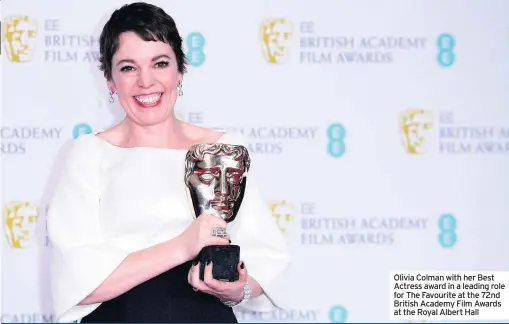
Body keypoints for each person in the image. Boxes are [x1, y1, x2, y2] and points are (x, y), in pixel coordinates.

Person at [46, 2, 291, 323]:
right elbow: (76, 281)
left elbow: (265, 258)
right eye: (128, 68)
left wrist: (237, 289)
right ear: (110, 80)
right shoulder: (89, 154)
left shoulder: (223, 149)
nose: (146, 82)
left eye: (160, 63)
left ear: (180, 71)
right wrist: (183, 246)